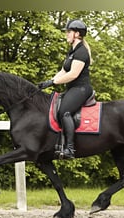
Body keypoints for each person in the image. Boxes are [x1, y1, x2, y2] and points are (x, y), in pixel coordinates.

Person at [39, 19, 94, 159]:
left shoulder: (81, 52)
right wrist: (48, 81)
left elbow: (73, 74)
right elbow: (64, 71)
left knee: (64, 111)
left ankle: (70, 148)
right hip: (73, 88)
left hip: (81, 88)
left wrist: (53, 82)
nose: (66, 34)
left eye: (68, 32)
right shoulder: (72, 51)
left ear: (77, 34)